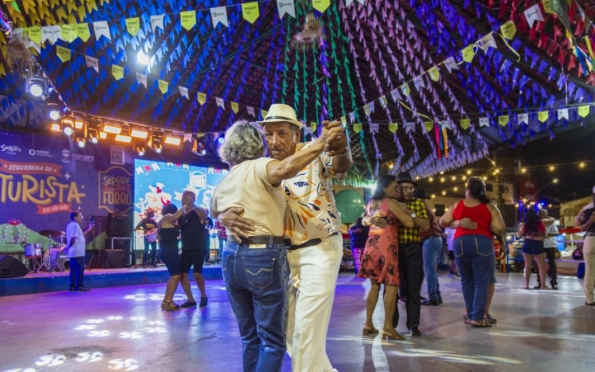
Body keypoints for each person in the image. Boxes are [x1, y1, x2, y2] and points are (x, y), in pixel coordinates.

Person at [218, 103, 351, 372]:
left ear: (296, 134)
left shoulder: (312, 152)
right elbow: (226, 197)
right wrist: (222, 216)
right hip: (279, 257)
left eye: (281, 133)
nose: (274, 141)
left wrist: (341, 147)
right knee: (288, 332)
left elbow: (340, 164)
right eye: (268, 134)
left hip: (319, 249)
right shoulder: (260, 167)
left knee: (307, 332)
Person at [439, 177, 505, 328]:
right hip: (482, 242)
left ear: (467, 190)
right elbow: (500, 228)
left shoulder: (458, 205)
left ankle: (469, 314)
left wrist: (456, 222)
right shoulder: (489, 206)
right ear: (483, 190)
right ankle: (477, 317)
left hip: (460, 242)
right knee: (481, 281)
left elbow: (442, 222)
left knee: (466, 280)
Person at [358, 175, 415, 341]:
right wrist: (408, 213)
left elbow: (364, 220)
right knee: (392, 285)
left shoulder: (372, 202)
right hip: (386, 245)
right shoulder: (391, 202)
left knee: (374, 286)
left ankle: (368, 324)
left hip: (372, 245)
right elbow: (409, 223)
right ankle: (388, 327)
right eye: (394, 186)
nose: (397, 189)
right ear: (385, 188)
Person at [391, 171, 430, 337]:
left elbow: (426, 226)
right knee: (391, 288)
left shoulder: (418, 204)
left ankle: (413, 324)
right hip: (393, 249)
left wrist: (410, 213)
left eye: (410, 188)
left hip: (413, 248)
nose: (408, 191)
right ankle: (390, 324)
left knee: (414, 288)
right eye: (404, 188)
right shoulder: (391, 203)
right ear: (397, 188)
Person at [178, 191, 209, 308]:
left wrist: (192, 205)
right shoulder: (183, 214)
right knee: (182, 274)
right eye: (182, 197)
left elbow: (204, 217)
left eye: (185, 197)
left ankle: (203, 296)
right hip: (186, 248)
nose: (183, 199)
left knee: (197, 274)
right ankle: (190, 299)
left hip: (198, 248)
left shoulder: (197, 211)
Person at [416, 189, 445, 306]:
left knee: (429, 269)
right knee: (431, 268)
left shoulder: (421, 208)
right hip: (436, 239)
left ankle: (433, 298)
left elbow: (424, 227)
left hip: (431, 239)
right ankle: (437, 296)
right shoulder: (426, 207)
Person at [158, 203, 184, 311]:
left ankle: (166, 300)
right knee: (176, 276)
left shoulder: (165, 221)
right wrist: (186, 207)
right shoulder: (167, 217)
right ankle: (169, 301)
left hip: (167, 249)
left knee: (173, 276)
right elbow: (174, 216)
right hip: (169, 250)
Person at [518, 208, 549, 290]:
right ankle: (543, 285)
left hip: (527, 243)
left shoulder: (526, 224)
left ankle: (526, 285)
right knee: (541, 266)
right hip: (537, 243)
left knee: (527, 266)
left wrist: (519, 227)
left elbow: (520, 235)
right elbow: (544, 234)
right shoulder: (540, 223)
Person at [575, 185, 595, 306]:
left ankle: (590, 299)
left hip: (590, 239)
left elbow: (577, 224)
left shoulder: (587, 208)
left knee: (590, 271)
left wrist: (589, 222)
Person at [66, 212, 94, 292]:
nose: (81, 217)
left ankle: (72, 286)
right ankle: (80, 286)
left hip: (73, 252)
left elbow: (79, 235)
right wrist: (68, 246)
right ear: (75, 217)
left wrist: (89, 228)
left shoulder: (69, 225)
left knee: (73, 270)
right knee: (80, 269)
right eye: (80, 216)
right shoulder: (75, 225)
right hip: (78, 251)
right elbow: (74, 238)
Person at [537, 209, 560, 290]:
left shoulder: (551, 221)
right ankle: (540, 283)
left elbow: (556, 232)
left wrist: (546, 234)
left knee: (552, 264)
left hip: (550, 245)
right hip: (540, 244)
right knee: (539, 264)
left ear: (547, 214)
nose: (542, 214)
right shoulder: (537, 221)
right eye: (541, 213)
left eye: (544, 213)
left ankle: (554, 282)